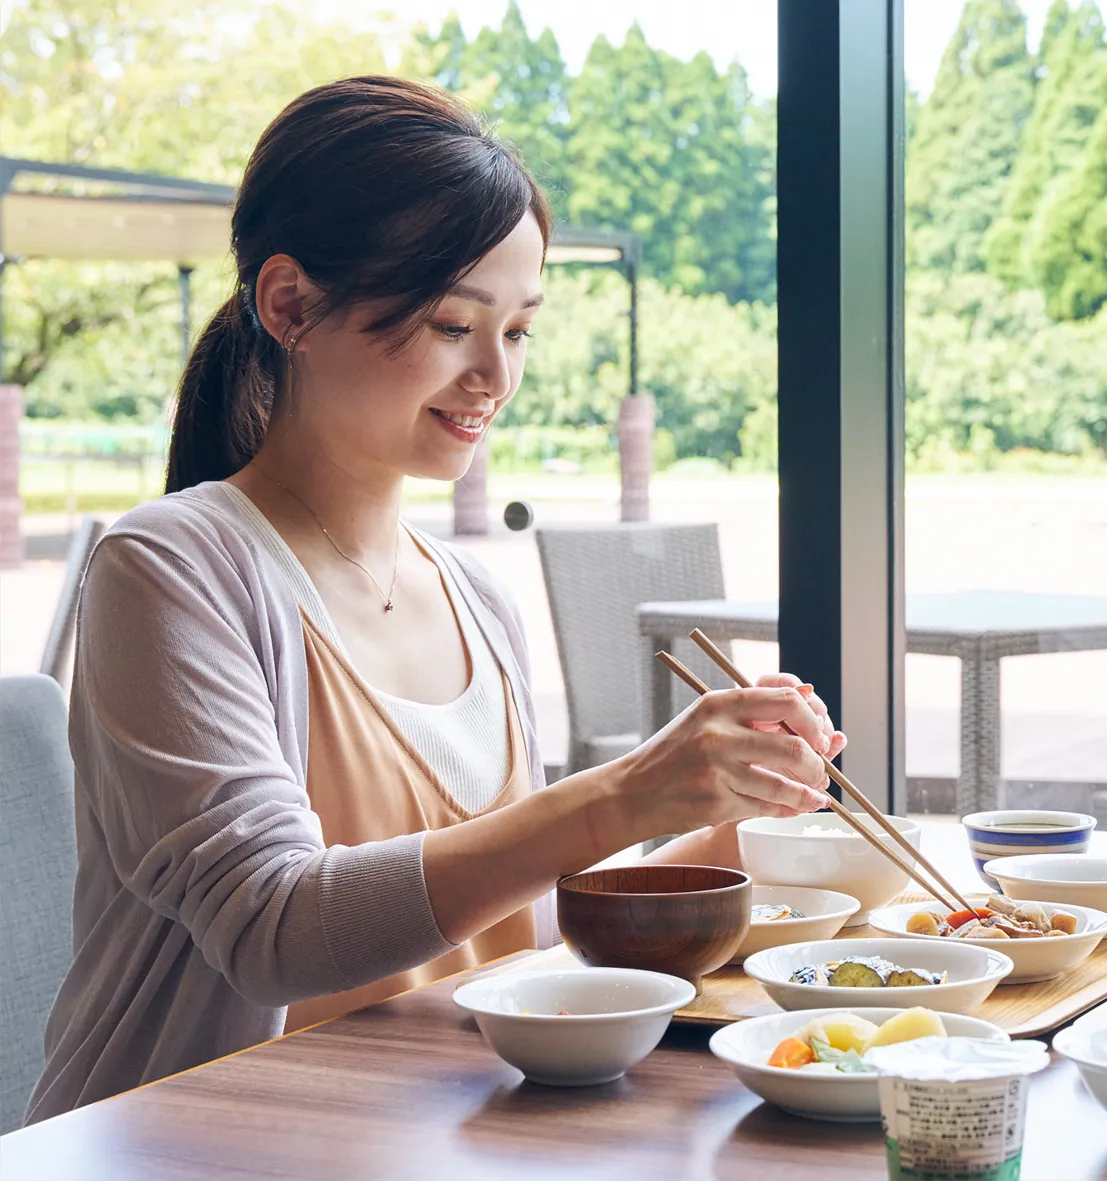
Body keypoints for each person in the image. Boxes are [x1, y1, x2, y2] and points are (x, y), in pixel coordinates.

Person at [27, 75, 841, 1122]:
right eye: (454, 323)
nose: (493, 376)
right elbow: (271, 926)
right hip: (199, 1141)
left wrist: (724, 811)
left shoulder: (476, 596)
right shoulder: (171, 568)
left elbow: (505, 933)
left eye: (519, 331)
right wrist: (627, 793)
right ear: (290, 305)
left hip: (435, 1134)